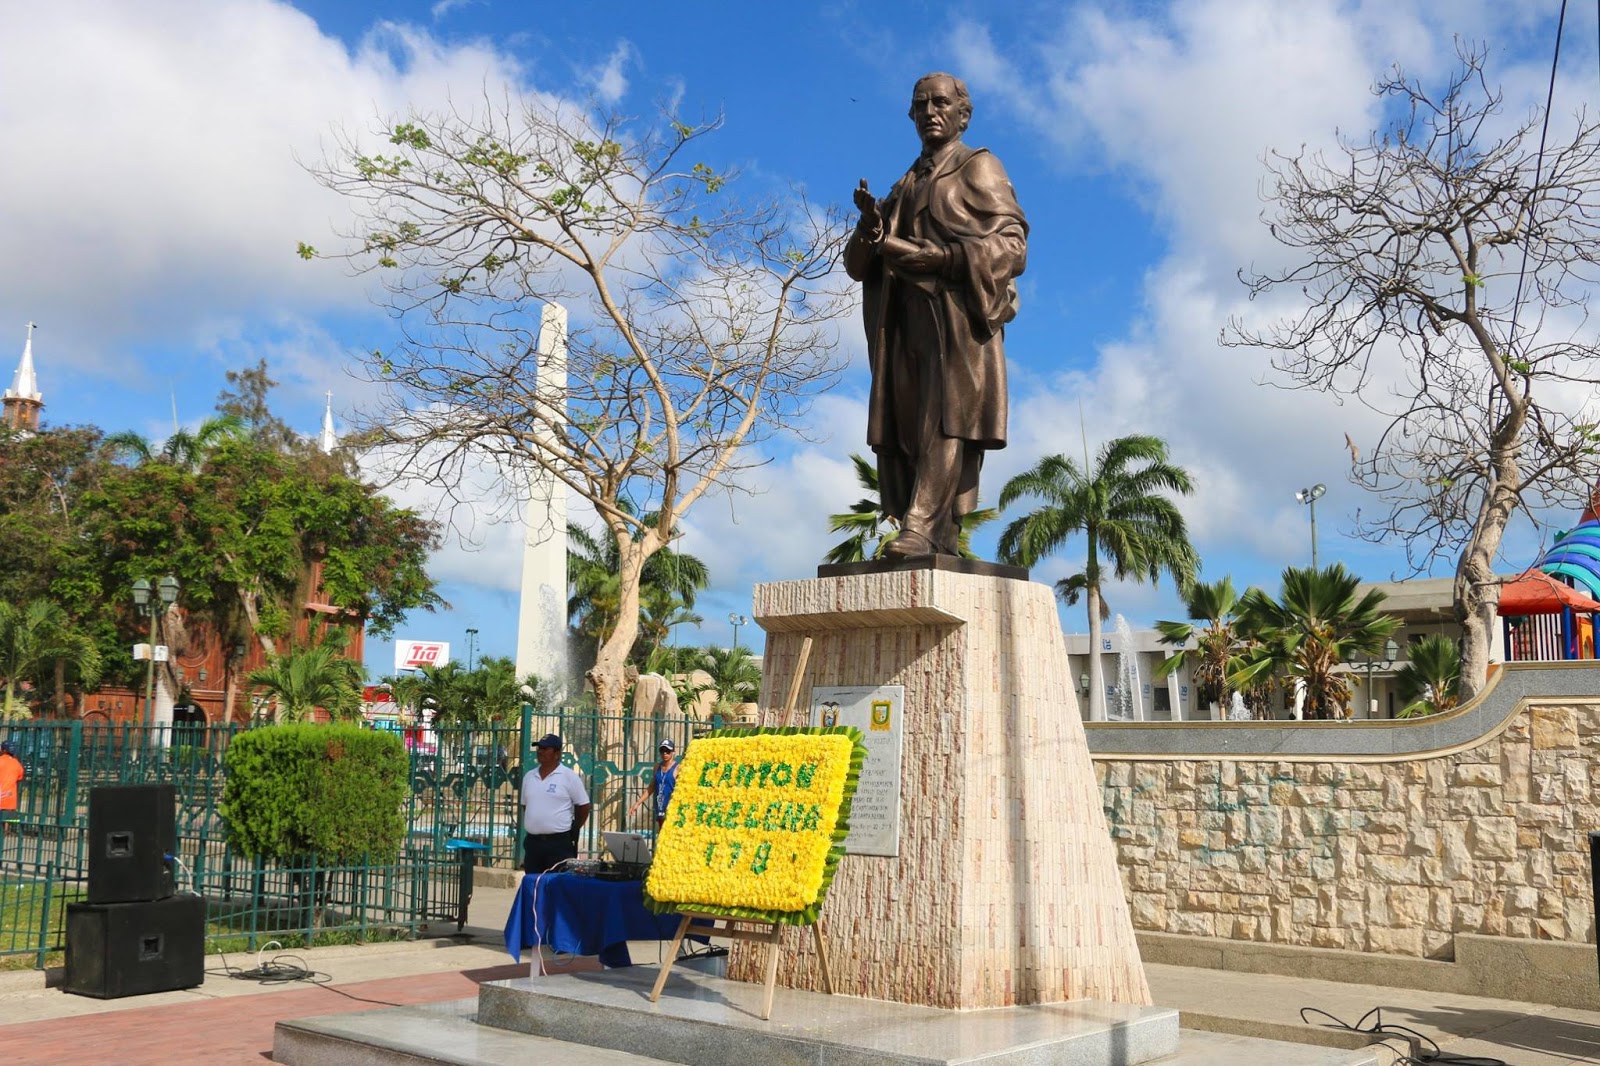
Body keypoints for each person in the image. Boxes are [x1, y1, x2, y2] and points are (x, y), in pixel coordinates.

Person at [844, 72, 1029, 558]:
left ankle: (921, 528)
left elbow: (1013, 246)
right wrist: (869, 229)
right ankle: (935, 531)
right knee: (908, 429)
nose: (929, 112)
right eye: (920, 104)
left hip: (958, 321)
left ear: (962, 114)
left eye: (940, 102)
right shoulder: (903, 184)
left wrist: (945, 259)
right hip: (903, 324)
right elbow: (856, 266)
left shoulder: (979, 167)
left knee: (946, 421)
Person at [519, 733, 591, 874]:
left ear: (557, 753)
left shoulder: (568, 777)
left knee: (556, 884)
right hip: (533, 843)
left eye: (545, 749)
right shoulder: (529, 776)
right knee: (534, 883)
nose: (540, 751)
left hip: (558, 844)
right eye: (539, 748)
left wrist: (573, 828)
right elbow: (525, 805)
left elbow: (584, 806)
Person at [627, 739, 679, 831]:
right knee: (661, 833)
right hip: (660, 806)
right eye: (662, 751)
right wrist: (637, 803)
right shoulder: (657, 767)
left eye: (667, 751)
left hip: (672, 808)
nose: (665, 754)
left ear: (673, 752)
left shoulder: (678, 768)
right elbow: (651, 788)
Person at [0, 740, 23, 864]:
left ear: (3, 749)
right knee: (6, 818)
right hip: (9, 796)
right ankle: (4, 836)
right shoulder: (16, 763)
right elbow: (20, 776)